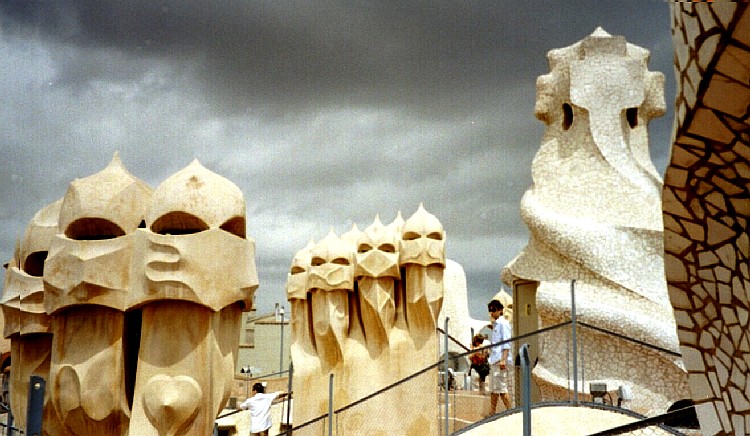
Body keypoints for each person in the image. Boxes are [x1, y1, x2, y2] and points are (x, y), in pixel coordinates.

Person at [487, 299, 512, 415]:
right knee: (494, 389)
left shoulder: (503, 323)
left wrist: (503, 359)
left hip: (499, 360)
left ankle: (511, 411)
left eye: (494, 310)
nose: (492, 313)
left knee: (501, 389)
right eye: (490, 310)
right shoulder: (496, 324)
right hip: (494, 360)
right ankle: (492, 412)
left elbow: (506, 342)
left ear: (500, 310)